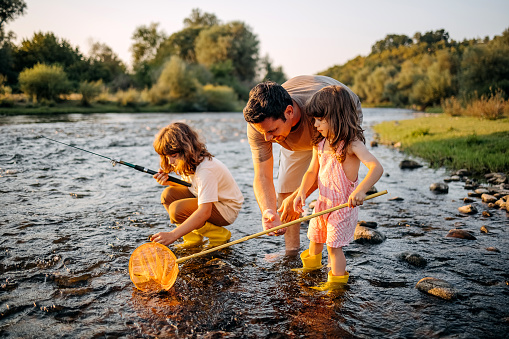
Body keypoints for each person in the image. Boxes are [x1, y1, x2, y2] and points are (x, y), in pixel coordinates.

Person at [243, 75, 362, 254]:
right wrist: (268, 210)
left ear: (289, 112)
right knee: (286, 191)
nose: (267, 139)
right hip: (296, 133)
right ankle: (291, 252)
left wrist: (301, 193)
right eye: (263, 133)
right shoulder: (259, 123)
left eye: (272, 131)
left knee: (334, 183)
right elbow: (262, 175)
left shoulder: (324, 114)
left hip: (341, 110)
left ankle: (334, 248)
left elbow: (323, 173)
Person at [293, 85, 383, 286]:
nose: (315, 124)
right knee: (315, 239)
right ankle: (310, 272)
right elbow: (311, 172)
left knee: (333, 248)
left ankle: (336, 284)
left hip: (343, 207)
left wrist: (360, 191)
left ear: (336, 116)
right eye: (314, 119)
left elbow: (376, 168)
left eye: (319, 119)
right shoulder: (320, 144)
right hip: (323, 204)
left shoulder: (352, 144)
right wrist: (301, 193)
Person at [150, 122, 244, 247]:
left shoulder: (205, 170)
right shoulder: (190, 162)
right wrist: (169, 182)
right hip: (212, 202)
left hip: (226, 209)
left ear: (186, 150)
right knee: (168, 195)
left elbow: (205, 212)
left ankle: (219, 235)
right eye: (166, 157)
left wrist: (173, 235)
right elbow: (193, 187)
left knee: (177, 210)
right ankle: (193, 239)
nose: (170, 162)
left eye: (173, 156)